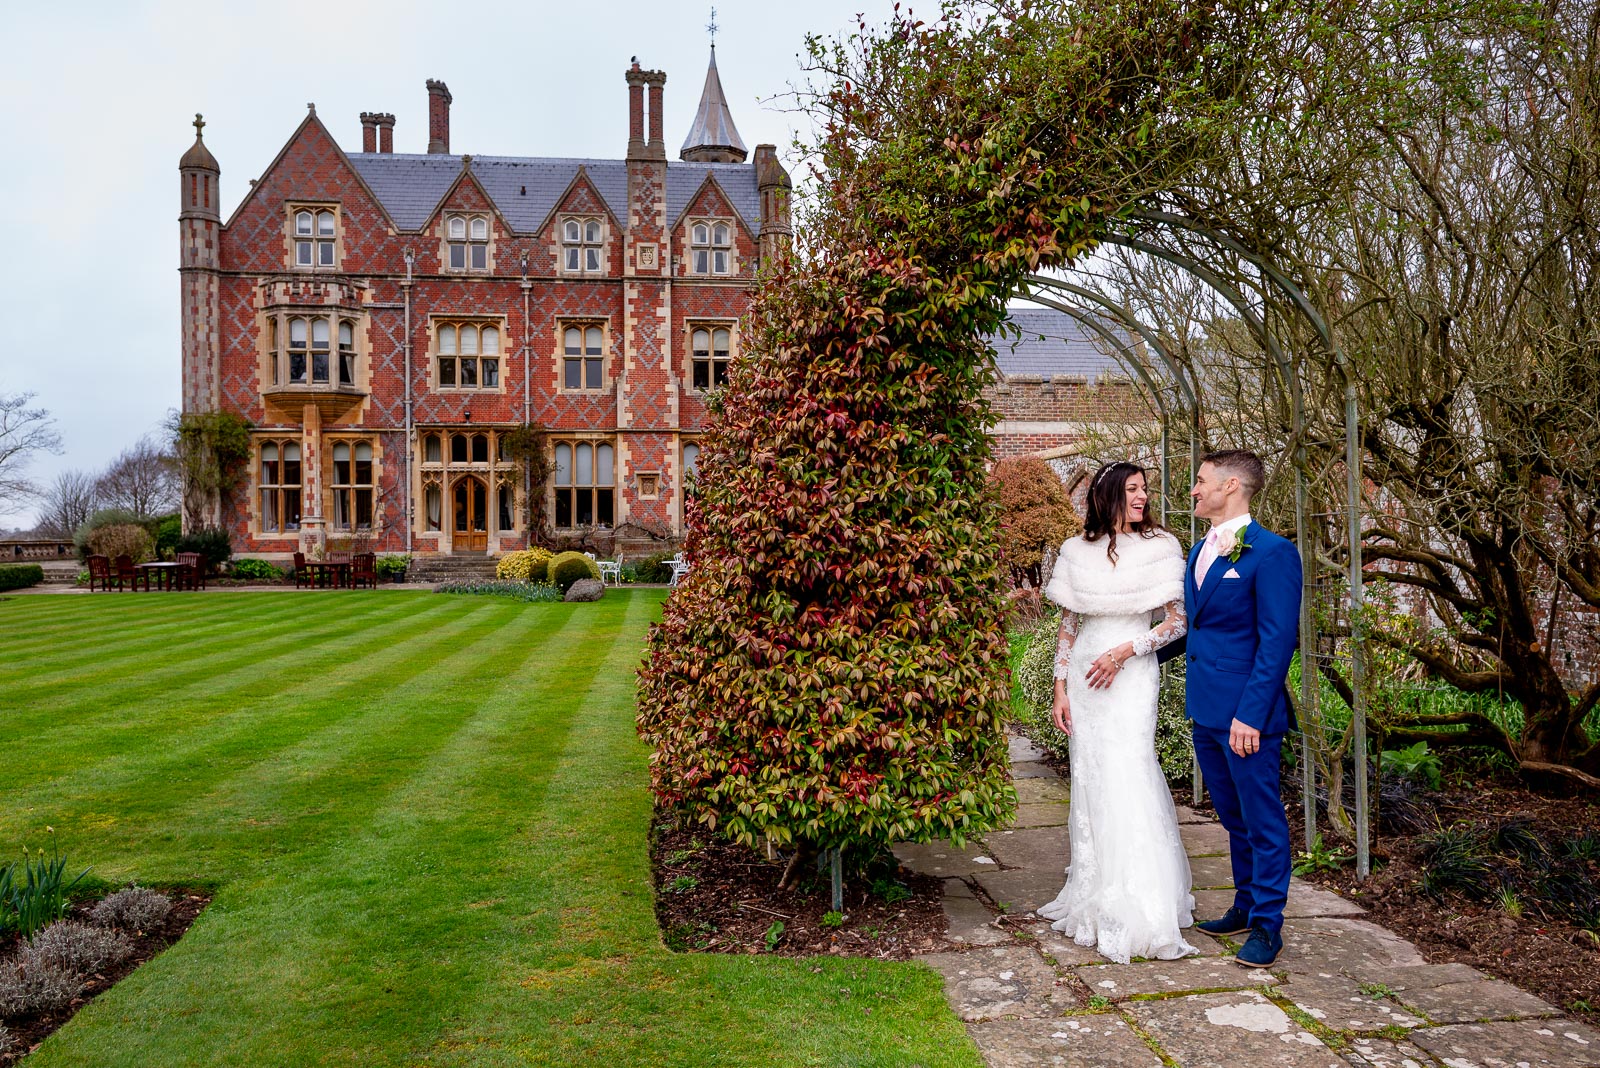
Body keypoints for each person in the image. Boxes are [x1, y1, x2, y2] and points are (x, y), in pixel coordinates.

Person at [1036, 461, 1197, 964]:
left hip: (1131, 675)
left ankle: (1141, 905)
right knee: (1091, 777)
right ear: (1107, 495)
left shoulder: (1162, 548)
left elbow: (1178, 622)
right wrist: (1060, 685)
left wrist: (1127, 651)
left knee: (1130, 772)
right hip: (1085, 679)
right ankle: (1095, 891)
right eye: (1132, 489)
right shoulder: (1076, 551)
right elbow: (1068, 625)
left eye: (1144, 489)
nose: (1142, 497)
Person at [1182, 449, 1302, 967]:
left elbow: (1277, 643)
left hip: (1246, 717)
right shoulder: (1198, 551)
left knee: (1262, 817)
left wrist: (1250, 714)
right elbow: (1197, 626)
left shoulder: (1272, 554)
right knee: (1232, 815)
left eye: (1202, 481)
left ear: (1231, 486)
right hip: (1205, 709)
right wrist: (1129, 653)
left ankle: (1268, 926)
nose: (1194, 489)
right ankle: (1245, 903)